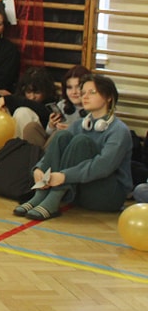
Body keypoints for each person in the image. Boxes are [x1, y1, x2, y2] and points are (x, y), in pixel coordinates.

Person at [14, 74, 132, 220]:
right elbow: (55, 149)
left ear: (108, 97)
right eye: (84, 93)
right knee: (61, 136)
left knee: (81, 141)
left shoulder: (119, 130)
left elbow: (103, 166)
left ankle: (54, 197)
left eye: (92, 92)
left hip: (108, 196)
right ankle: (41, 193)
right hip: (80, 188)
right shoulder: (80, 124)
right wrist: (39, 168)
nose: (85, 97)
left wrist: (64, 176)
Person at [0, 67, 58, 153]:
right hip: (12, 142)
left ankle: (13, 153)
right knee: (2, 112)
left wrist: (8, 99)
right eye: (28, 92)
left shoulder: (50, 104)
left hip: (36, 143)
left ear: (46, 91)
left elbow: (39, 109)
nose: (32, 97)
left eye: (37, 93)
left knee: (22, 112)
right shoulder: (20, 100)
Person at [21, 64, 90, 149]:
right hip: (53, 145)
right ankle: (36, 156)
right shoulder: (62, 104)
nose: (73, 92)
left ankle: (39, 157)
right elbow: (48, 134)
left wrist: (72, 130)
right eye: (69, 87)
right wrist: (51, 126)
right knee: (31, 127)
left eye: (78, 87)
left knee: (60, 134)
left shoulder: (93, 108)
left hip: (73, 148)